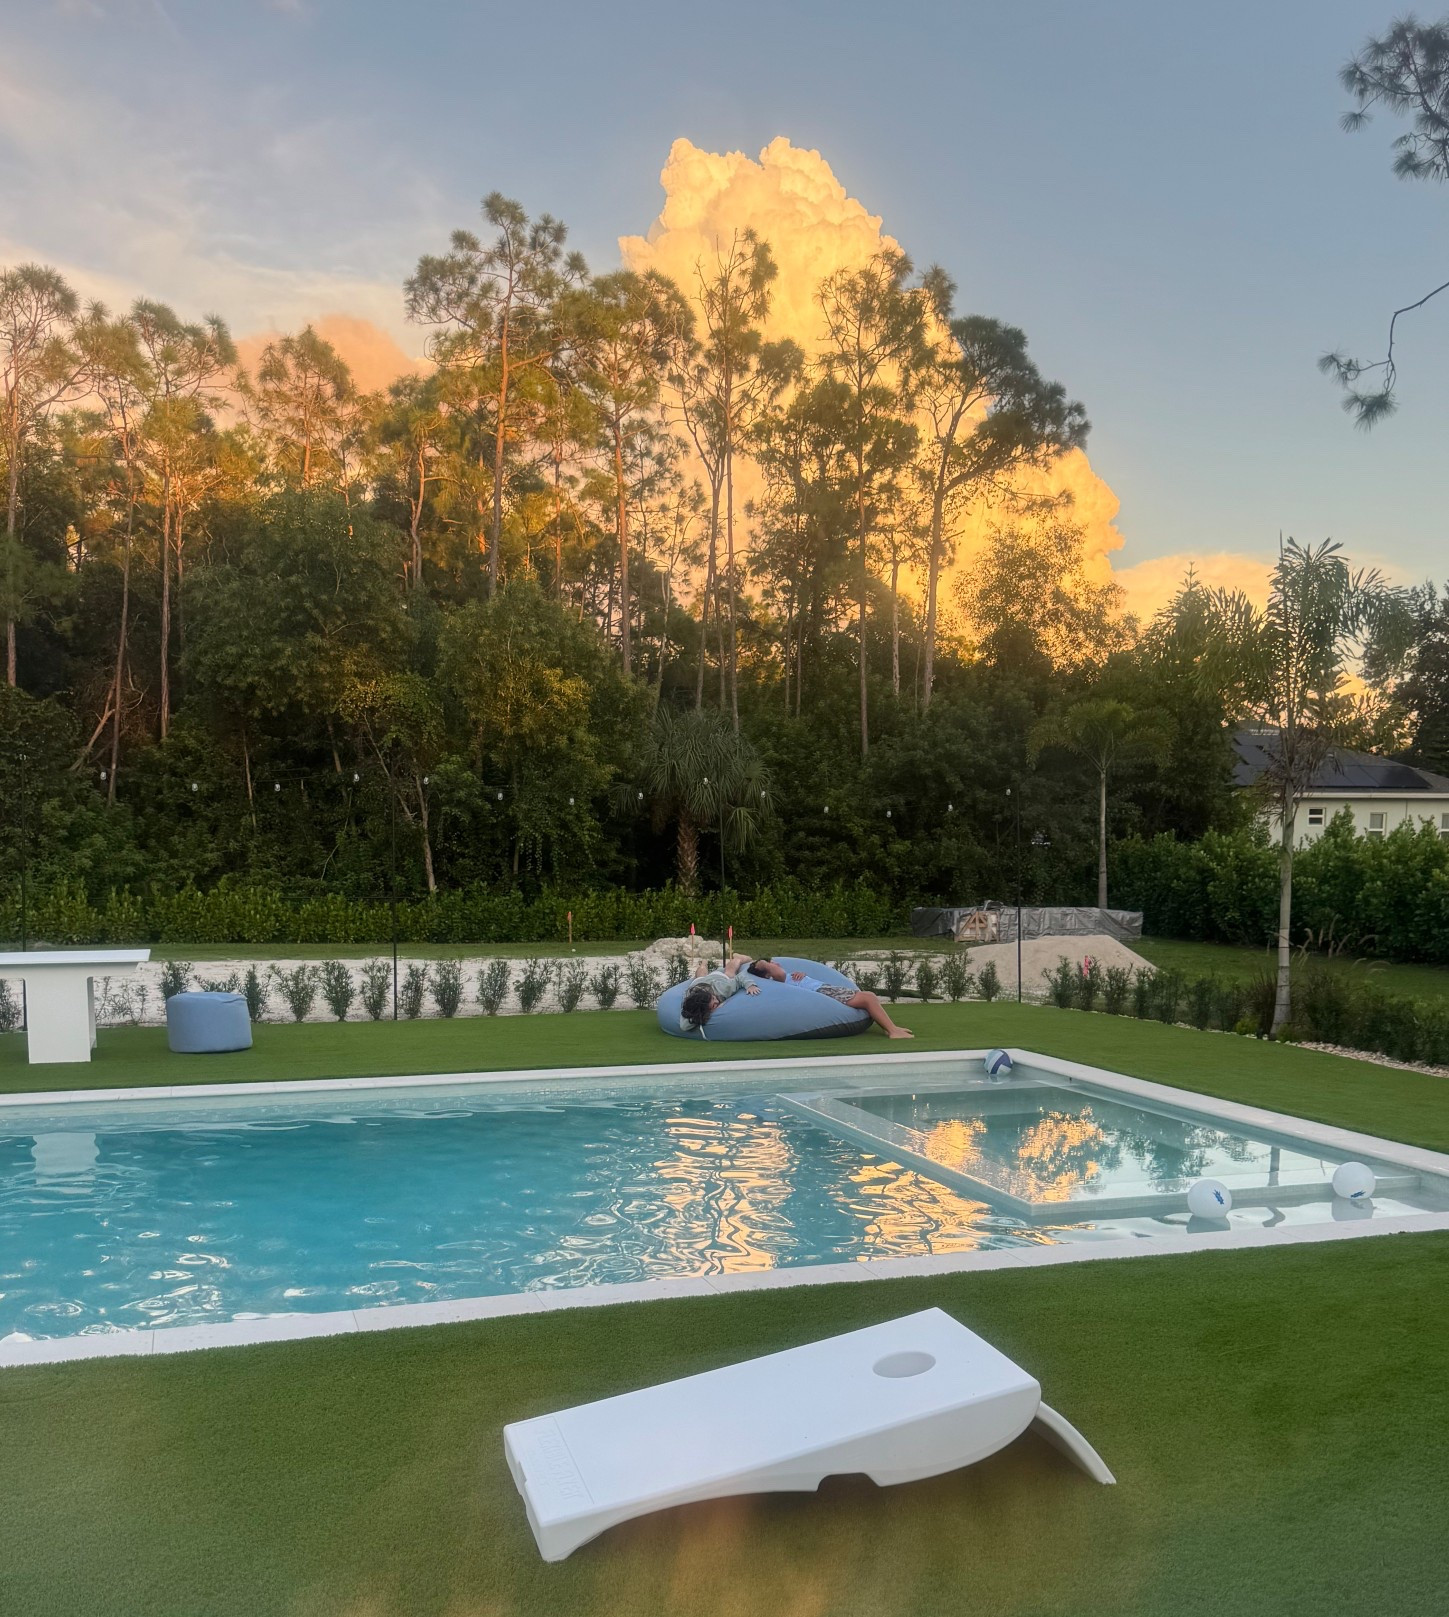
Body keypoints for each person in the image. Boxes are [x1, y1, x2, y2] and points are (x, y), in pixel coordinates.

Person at [745, 959, 914, 1039]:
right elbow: (774, 973)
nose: (775, 963)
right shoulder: (777, 981)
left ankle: (890, 1028)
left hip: (826, 988)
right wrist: (760, 963)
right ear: (767, 975)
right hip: (823, 992)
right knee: (868, 998)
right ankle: (892, 1031)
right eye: (770, 964)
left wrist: (802, 975)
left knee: (869, 996)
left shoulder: (785, 976)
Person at [678, 953, 762, 1032]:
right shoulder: (691, 1002)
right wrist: (702, 1016)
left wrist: (750, 985)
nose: (717, 1001)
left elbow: (739, 978)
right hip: (698, 984)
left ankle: (738, 958)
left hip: (716, 979)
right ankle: (703, 963)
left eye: (714, 998)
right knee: (700, 976)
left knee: (730, 972)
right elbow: (684, 1026)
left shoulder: (722, 989)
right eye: (713, 1005)